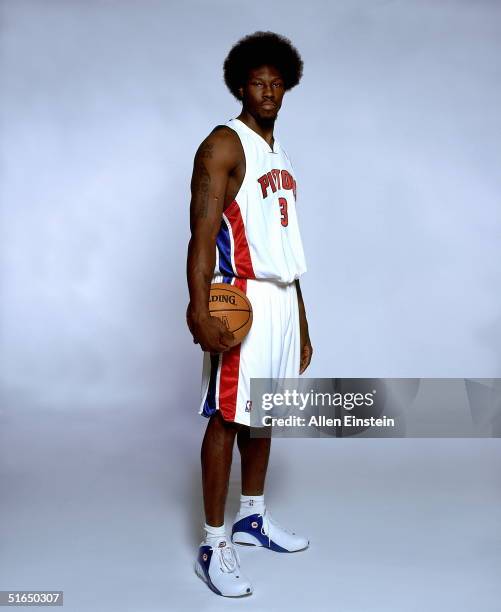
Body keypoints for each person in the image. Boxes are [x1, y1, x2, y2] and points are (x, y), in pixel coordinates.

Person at [186, 31, 313, 597]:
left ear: (287, 88)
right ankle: (215, 543)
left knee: (265, 411)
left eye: (276, 83)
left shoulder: (281, 152)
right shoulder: (223, 145)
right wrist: (197, 306)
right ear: (241, 86)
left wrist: (303, 320)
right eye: (258, 82)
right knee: (228, 418)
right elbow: (202, 234)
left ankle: (253, 517)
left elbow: (286, 245)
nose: (268, 91)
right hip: (241, 299)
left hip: (282, 297)